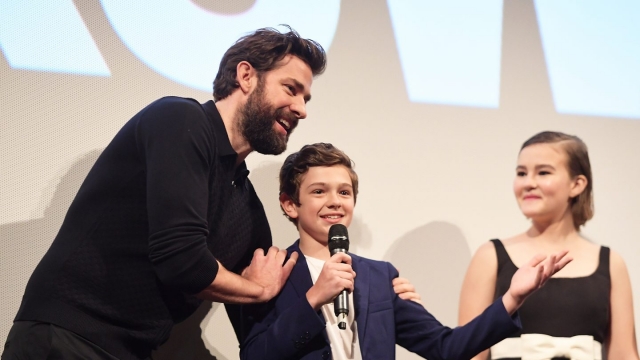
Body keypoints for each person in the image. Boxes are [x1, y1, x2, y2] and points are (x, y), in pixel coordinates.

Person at [2, 26, 323, 360]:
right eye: (291, 89)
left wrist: (323, 299)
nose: (301, 109)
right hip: (67, 338)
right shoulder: (180, 121)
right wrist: (257, 289)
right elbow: (181, 261)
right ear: (246, 76)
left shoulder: (245, 203)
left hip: (132, 351)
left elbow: (261, 335)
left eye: (305, 98)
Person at [237, 142, 572, 360]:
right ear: (290, 203)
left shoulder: (379, 277)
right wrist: (313, 299)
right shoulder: (272, 271)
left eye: (344, 192)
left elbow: (447, 348)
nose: (335, 202)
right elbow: (255, 356)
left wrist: (513, 297)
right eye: (319, 191)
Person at [458, 131, 639, 359]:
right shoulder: (490, 256)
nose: (529, 183)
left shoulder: (611, 263)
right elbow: (468, 351)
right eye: (521, 173)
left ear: (577, 184)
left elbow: (624, 354)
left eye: (543, 172)